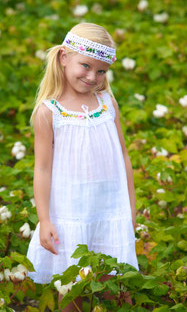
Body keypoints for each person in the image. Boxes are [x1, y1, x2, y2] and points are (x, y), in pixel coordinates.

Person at [26, 22, 139, 311]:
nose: (93, 77)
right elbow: (42, 169)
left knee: (118, 285)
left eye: (101, 71)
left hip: (109, 209)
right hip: (70, 212)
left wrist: (130, 206)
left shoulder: (106, 102)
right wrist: (45, 219)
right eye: (86, 66)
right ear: (64, 57)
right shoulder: (49, 112)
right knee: (72, 287)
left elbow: (123, 157)